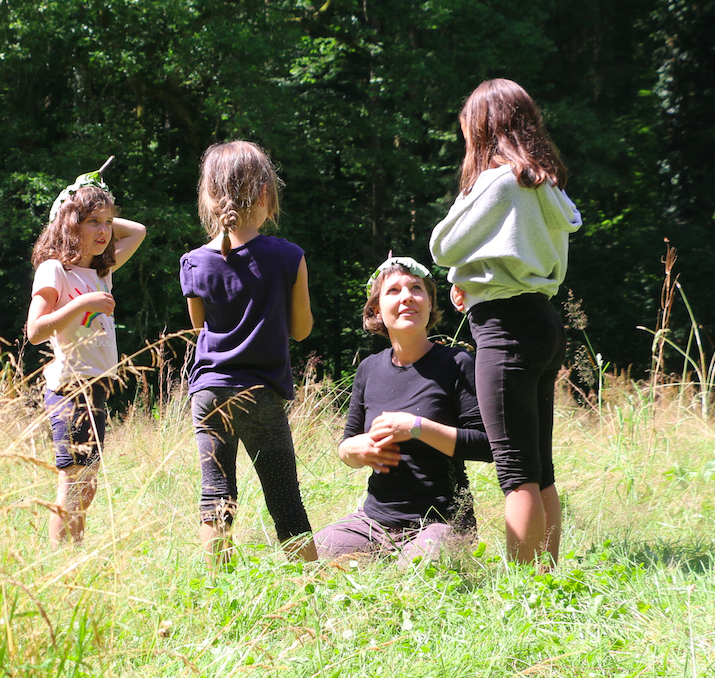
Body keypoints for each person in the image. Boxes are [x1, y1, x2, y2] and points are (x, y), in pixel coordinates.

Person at [430, 78, 582, 565]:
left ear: (483, 128)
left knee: (516, 471)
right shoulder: (545, 184)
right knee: (541, 468)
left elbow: (442, 245)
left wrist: (463, 271)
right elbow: (520, 252)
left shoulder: (496, 182)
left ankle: (524, 591)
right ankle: (548, 576)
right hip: (541, 321)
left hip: (505, 331)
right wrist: (473, 282)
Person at [180, 140, 317, 567]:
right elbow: (301, 330)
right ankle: (311, 587)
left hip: (208, 391)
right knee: (284, 499)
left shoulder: (193, 263)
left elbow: (199, 327)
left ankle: (216, 590)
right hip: (261, 391)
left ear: (208, 198)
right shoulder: (288, 256)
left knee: (216, 494)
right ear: (265, 195)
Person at [315, 257, 492, 562]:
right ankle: (384, 555)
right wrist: (354, 450)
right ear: (376, 311)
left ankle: (421, 556)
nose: (407, 296)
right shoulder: (369, 369)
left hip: (440, 521)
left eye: (416, 288)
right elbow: (347, 446)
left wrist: (417, 427)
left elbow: (486, 445)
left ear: (429, 303)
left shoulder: (456, 363)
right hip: (373, 522)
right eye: (393, 290)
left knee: (423, 569)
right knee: (314, 552)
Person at [27, 164, 147, 546]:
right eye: (92, 221)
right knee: (73, 481)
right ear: (68, 224)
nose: (103, 231)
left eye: (108, 222)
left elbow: (138, 232)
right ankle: (62, 561)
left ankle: (73, 555)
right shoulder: (55, 271)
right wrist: (84, 305)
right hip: (69, 388)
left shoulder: (100, 271)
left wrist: (93, 196)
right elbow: (34, 331)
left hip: (96, 389)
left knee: (87, 485)